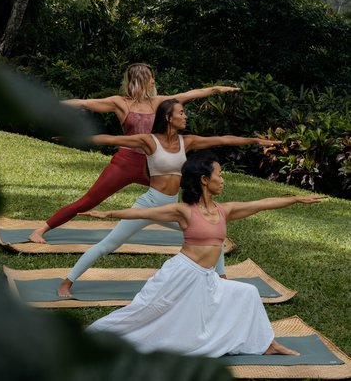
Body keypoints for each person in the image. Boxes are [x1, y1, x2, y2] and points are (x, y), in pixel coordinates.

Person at [81, 151, 327, 358]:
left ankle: (267, 345)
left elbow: (262, 203)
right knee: (143, 312)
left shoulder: (224, 210)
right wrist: (109, 214)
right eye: (219, 175)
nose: (222, 180)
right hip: (180, 274)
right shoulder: (184, 211)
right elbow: (145, 213)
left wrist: (296, 199)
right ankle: (91, 336)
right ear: (203, 179)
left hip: (206, 279)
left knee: (248, 292)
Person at [56, 98, 280, 297]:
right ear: (168, 118)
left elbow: (222, 139)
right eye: (181, 113)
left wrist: (254, 141)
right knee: (108, 244)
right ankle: (66, 283)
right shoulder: (149, 141)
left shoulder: (187, 142)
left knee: (216, 232)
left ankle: (221, 280)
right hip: (150, 204)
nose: (185, 116)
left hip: (175, 210)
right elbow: (110, 139)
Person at [29, 63, 239, 244]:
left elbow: (189, 95)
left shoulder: (157, 103)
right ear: (141, 79)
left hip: (155, 165)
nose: (154, 81)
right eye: (151, 77)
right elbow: (83, 103)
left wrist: (215, 88)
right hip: (125, 163)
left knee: (194, 189)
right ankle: (41, 230)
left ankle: (208, 228)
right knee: (88, 201)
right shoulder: (119, 103)